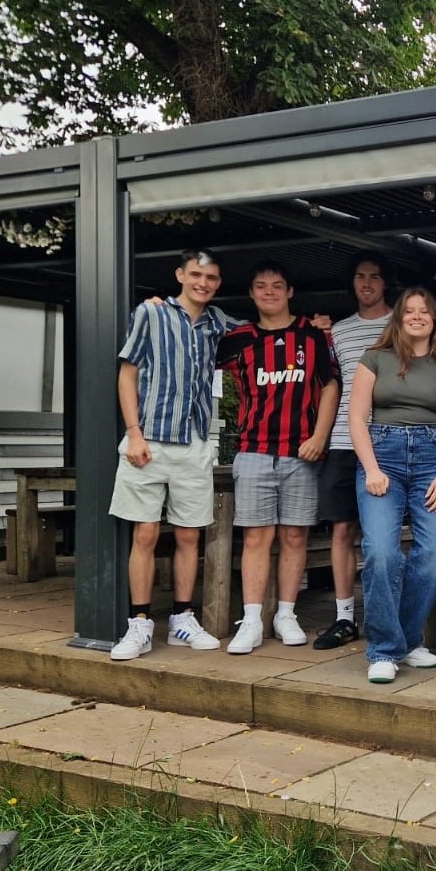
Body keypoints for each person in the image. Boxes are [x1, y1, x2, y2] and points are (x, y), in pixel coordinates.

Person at [108, 249, 234, 660]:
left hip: (194, 441)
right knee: (144, 533)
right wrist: (134, 433)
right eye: (196, 274)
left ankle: (182, 617)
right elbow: (127, 373)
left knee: (189, 534)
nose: (203, 283)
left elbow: (263, 330)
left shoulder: (218, 322)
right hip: (148, 439)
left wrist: (314, 324)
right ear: (180, 274)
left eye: (211, 277)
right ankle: (139, 624)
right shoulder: (151, 314)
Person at [348, 286, 436, 684]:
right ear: (398, 318)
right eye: (409, 311)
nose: (417, 316)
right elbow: (356, 419)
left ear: (435, 319)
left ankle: (406, 639)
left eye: (425, 311)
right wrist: (371, 469)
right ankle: (385, 649)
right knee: (381, 552)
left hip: (434, 459)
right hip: (382, 456)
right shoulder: (375, 359)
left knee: (435, 554)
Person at [215, 260, 338, 654]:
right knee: (255, 536)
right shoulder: (238, 339)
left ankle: (286, 614)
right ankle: (251, 620)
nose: (269, 291)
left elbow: (331, 384)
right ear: (251, 294)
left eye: (277, 285)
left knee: (295, 535)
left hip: (301, 450)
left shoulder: (312, 335)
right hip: (253, 451)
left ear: (289, 292)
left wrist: (320, 435)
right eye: (261, 285)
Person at [313, 252, 394, 650]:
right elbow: (330, 384)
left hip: (390, 441)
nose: (367, 284)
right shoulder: (339, 332)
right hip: (345, 441)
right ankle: (345, 617)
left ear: (384, 283)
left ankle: (389, 615)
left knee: (386, 534)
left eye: (374, 277)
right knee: (342, 529)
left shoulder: (401, 323)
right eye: (360, 277)